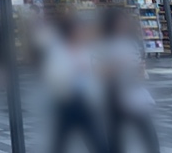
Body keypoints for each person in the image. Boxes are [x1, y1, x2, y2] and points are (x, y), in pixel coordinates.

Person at [42, 15, 108, 153]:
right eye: (78, 30)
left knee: (96, 139)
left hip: (84, 100)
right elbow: (53, 75)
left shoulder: (84, 49)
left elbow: (92, 74)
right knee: (61, 141)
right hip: (66, 100)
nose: (81, 33)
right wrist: (75, 70)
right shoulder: (58, 50)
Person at [99, 8, 160, 153]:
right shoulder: (102, 45)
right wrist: (117, 66)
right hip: (112, 92)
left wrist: (140, 70)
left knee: (147, 131)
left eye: (123, 22)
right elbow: (97, 72)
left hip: (133, 90)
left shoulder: (132, 43)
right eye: (118, 23)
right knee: (116, 134)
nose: (122, 26)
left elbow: (140, 71)